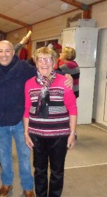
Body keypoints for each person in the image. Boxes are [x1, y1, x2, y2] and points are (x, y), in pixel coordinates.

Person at [23, 47, 77, 197]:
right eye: (40, 59)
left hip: (59, 136)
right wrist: (26, 132)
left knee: (57, 171)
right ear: (36, 62)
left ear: (54, 62)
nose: (44, 63)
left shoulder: (64, 82)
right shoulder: (29, 84)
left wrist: (72, 133)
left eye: (48, 59)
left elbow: (72, 109)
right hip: (37, 135)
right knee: (39, 171)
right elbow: (27, 109)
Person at [0, 40, 36, 197]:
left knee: (24, 156)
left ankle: (28, 187)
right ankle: (7, 183)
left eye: (7, 51)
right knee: (4, 156)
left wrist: (65, 75)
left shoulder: (24, 68)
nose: (4, 55)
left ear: (13, 52)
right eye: (0, 51)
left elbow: (43, 72)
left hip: (21, 122)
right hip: (0, 121)